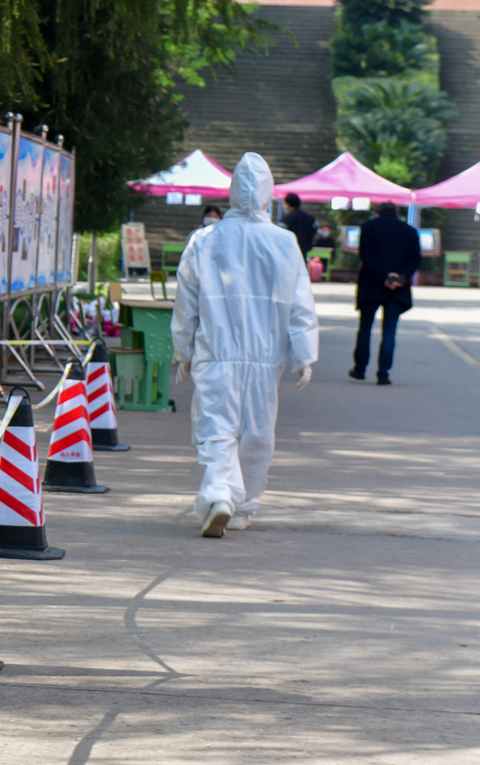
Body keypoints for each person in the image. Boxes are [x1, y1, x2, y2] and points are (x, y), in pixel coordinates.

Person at [170, 153, 318, 539]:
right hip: (266, 357)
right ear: (270, 195)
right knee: (256, 433)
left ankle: (219, 493)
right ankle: (244, 507)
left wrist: (183, 350)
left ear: (232, 192)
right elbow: (301, 303)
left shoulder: (205, 239)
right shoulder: (285, 242)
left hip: (216, 351)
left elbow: (186, 300)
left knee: (216, 426)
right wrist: (304, 355)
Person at [351, 200, 422, 386]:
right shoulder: (410, 231)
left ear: (377, 213)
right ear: (396, 213)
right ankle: (383, 373)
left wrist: (384, 275)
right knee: (390, 332)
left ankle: (360, 369)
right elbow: (415, 259)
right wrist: (399, 277)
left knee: (365, 328)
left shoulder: (368, 227)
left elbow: (365, 255)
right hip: (397, 289)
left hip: (372, 284)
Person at [280, 193, 316, 258]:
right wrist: (311, 241)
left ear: (288, 204)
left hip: (289, 251)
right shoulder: (309, 216)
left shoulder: (287, 217)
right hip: (305, 250)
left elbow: (280, 234)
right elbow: (317, 231)